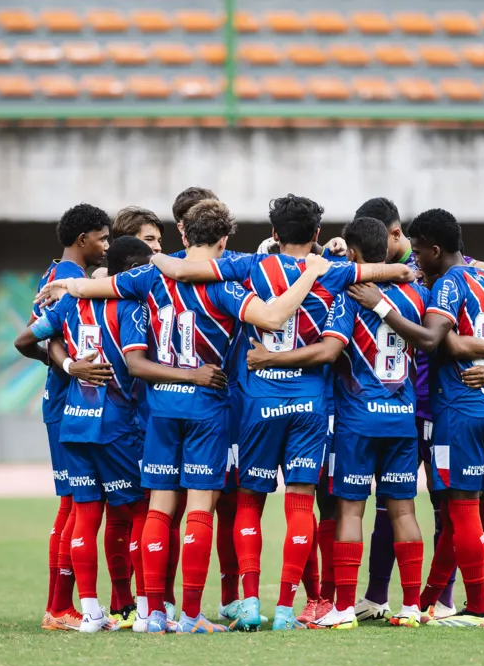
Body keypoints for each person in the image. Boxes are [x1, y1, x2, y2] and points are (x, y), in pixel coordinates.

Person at [35, 199, 334, 634]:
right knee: (198, 507)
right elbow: (273, 316)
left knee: (158, 506)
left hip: (160, 407)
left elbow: (99, 288)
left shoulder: (151, 276)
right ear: (225, 239)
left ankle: (152, 613)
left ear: (184, 234)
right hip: (206, 406)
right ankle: (192, 615)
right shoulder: (227, 284)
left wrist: (69, 289)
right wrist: (311, 271)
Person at [150, 194, 415, 631]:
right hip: (311, 404)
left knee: (249, 503)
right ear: (315, 234)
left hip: (259, 402)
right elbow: (401, 269)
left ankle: (250, 602)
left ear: (273, 234)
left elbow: (182, 269)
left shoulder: (248, 266)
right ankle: (289, 609)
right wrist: (352, 263)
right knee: (300, 504)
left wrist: (153, 258)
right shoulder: (330, 272)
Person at [346, 208, 484, 628]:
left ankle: (479, 606)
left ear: (433, 248)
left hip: (457, 409)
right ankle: (454, 599)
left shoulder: (446, 285)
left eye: (418, 252)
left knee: (458, 509)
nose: (414, 260)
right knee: (472, 507)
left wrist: (379, 307)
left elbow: (433, 341)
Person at [245, 217, 431, 629]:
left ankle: (343, 607)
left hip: (357, 420)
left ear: (356, 254)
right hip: (401, 420)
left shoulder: (349, 296)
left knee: (349, 510)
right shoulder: (417, 295)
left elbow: (329, 352)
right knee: (403, 511)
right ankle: (412, 607)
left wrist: (269, 358)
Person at [15, 236, 160, 632]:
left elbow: (24, 339)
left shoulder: (70, 302)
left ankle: (91, 614)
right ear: (133, 272)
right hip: (116, 425)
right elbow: (136, 364)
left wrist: (66, 366)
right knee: (138, 513)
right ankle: (147, 611)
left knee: (85, 513)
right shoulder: (132, 308)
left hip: (74, 420)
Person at [21, 204, 111, 632]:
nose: (106, 246)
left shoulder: (59, 274)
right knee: (75, 504)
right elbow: (31, 336)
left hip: (67, 400)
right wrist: (66, 367)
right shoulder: (64, 282)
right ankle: (59, 606)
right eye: (102, 238)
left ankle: (61, 605)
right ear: (82, 240)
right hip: (66, 404)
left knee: (73, 504)